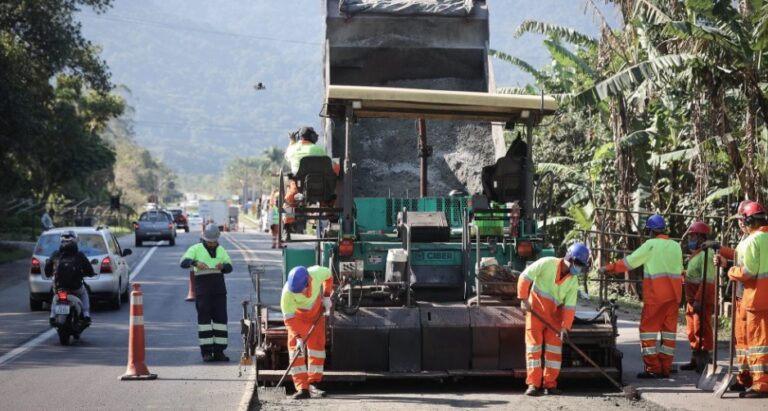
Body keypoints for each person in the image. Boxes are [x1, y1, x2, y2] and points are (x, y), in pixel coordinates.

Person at [599, 214, 683, 379]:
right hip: (674, 297)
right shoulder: (676, 246)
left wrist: (608, 268)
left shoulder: (651, 245)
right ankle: (665, 367)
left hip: (656, 297)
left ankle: (653, 368)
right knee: (669, 334)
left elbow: (630, 262)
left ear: (650, 231)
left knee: (648, 332)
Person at [518, 242, 589, 396]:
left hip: (555, 318)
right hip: (535, 312)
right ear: (570, 259)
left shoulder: (572, 281)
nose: (579, 269)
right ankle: (533, 385)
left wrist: (565, 327)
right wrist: (524, 299)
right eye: (578, 265)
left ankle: (550, 385)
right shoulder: (546, 263)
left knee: (554, 352)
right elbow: (524, 277)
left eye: (582, 266)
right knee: (533, 349)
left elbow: (569, 307)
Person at [724, 201, 768, 398]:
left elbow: (749, 271)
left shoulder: (753, 240)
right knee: (755, 341)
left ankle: (761, 385)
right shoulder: (762, 238)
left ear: (749, 220)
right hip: (759, 299)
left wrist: (731, 271)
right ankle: (748, 378)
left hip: (755, 298)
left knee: (758, 342)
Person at [713, 200, 756, 392]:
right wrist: (721, 252)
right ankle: (744, 377)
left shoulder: (756, 240)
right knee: (741, 341)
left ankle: (758, 379)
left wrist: (728, 266)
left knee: (754, 341)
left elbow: (748, 268)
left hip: (751, 295)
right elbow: (738, 257)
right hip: (741, 296)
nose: (739, 223)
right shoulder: (745, 239)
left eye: (742, 219)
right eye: (738, 220)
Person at [179, 223, 233, 362]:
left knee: (221, 320)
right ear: (204, 239)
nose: (212, 244)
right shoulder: (195, 249)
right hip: (203, 291)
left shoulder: (221, 250)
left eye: (214, 241)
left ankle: (219, 351)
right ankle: (207, 352)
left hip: (219, 291)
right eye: (210, 241)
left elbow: (230, 266)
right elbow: (183, 262)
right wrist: (195, 263)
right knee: (204, 322)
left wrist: (223, 267)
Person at [280, 265, 333, 400]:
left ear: (308, 281)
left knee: (317, 349)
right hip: (297, 319)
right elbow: (289, 319)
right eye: (296, 291)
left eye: (301, 290)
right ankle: (302, 388)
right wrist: (298, 337)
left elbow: (329, 276)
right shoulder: (287, 294)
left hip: (316, 314)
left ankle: (313, 383)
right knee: (295, 352)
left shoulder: (316, 273)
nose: (299, 293)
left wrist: (326, 296)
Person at [680, 221, 716, 371]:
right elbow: (693, 276)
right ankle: (695, 358)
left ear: (701, 238)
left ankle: (704, 362)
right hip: (692, 299)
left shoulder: (707, 254)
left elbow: (707, 279)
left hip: (700, 300)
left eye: (693, 237)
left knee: (702, 329)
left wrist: (699, 299)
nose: (690, 240)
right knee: (692, 330)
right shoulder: (696, 254)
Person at [44, 230, 95, 325]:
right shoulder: (79, 255)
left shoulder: (56, 254)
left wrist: (49, 274)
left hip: (59, 288)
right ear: (76, 241)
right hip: (76, 288)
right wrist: (90, 273)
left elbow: (47, 270)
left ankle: (52, 315)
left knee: (55, 296)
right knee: (84, 292)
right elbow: (89, 269)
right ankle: (86, 314)